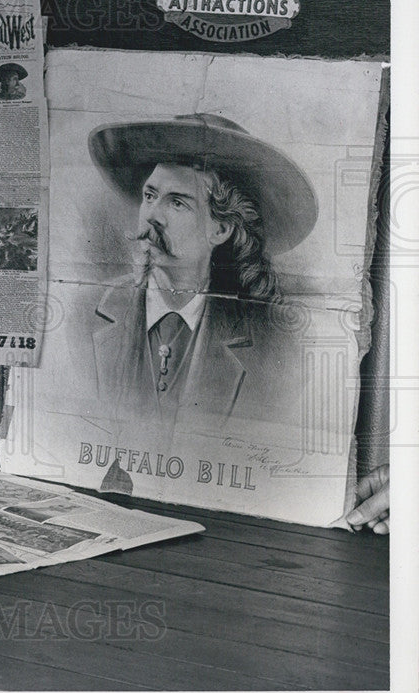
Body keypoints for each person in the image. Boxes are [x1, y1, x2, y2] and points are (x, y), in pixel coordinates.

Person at [86, 112, 388, 532]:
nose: (152, 216)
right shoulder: (85, 314)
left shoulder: (276, 343)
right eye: (149, 195)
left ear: (222, 228)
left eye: (177, 202)